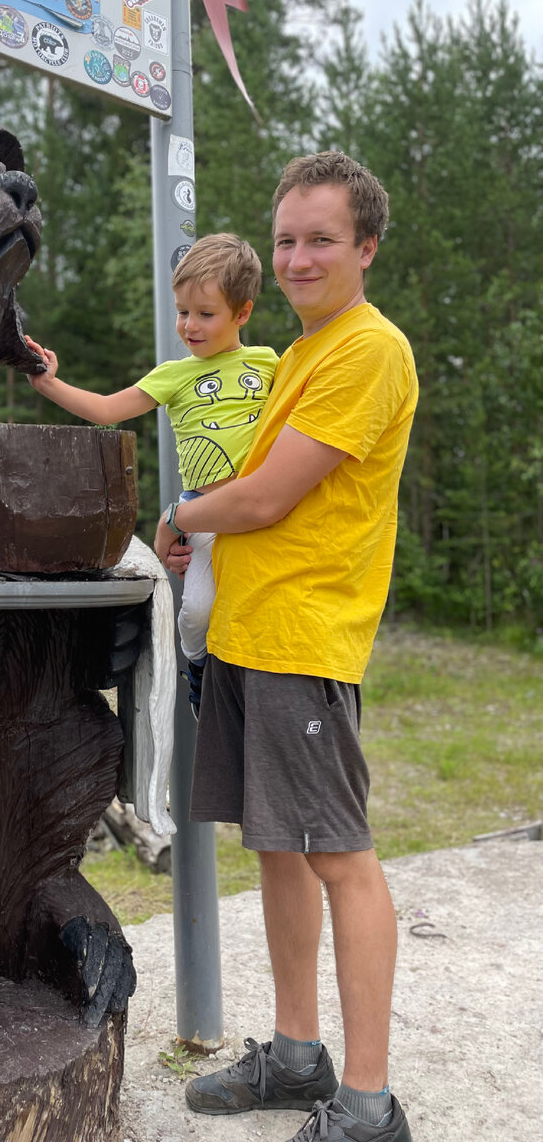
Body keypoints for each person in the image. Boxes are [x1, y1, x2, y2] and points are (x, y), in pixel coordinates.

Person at [155, 153, 418, 1142]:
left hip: (306, 637)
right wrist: (201, 534)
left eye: (322, 239)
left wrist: (183, 511)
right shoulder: (301, 353)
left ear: (366, 248)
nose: (301, 257)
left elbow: (268, 496)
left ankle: (367, 1102)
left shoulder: (366, 350)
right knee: (275, 846)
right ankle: (299, 1056)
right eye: (288, 241)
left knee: (341, 858)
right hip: (248, 632)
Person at [25, 233, 278, 712]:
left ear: (242, 313)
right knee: (197, 612)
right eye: (183, 312)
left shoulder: (268, 363)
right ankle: (199, 675)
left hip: (262, 512)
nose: (190, 325)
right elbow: (106, 410)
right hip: (204, 514)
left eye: (206, 314)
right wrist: (49, 384)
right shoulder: (173, 374)